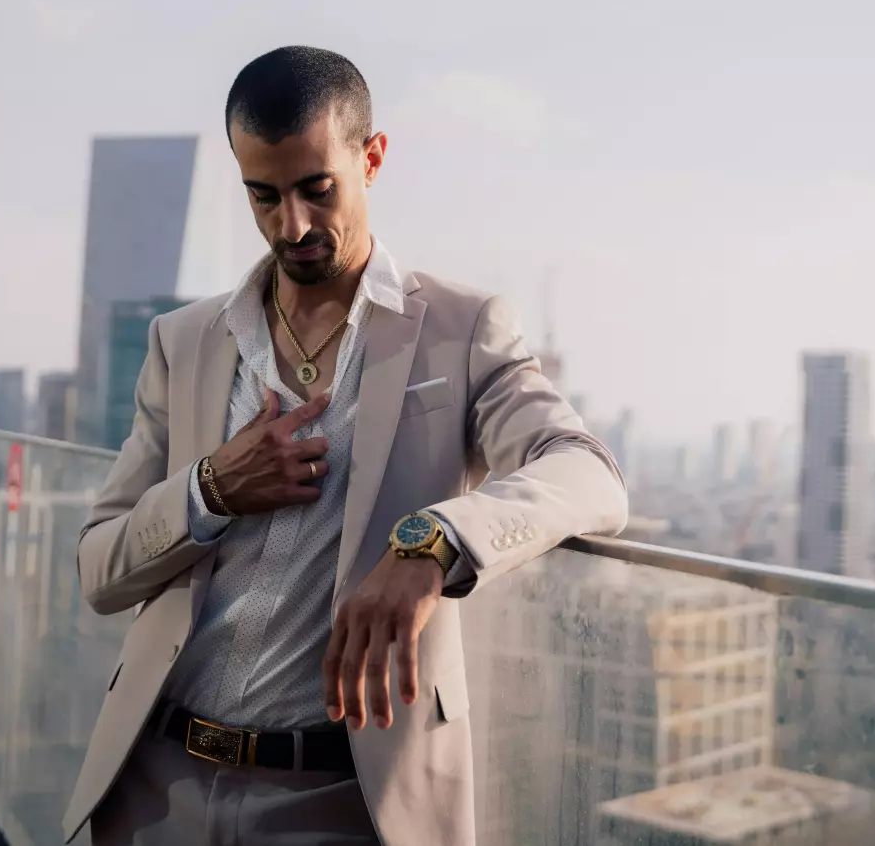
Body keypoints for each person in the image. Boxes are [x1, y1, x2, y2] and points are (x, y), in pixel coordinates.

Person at [63, 45, 628, 846]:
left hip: (343, 801)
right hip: (159, 787)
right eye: (263, 196)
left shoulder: (462, 331)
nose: (290, 225)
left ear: (372, 158)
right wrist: (210, 491)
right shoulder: (182, 342)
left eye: (315, 190)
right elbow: (98, 572)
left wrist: (433, 544)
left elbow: (589, 473)